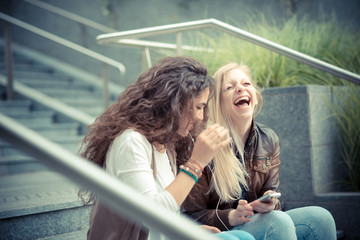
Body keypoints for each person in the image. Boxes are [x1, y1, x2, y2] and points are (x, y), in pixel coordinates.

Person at [78, 57, 255, 240]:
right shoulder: (131, 141)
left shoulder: (166, 144)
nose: (201, 117)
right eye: (198, 107)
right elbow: (152, 215)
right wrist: (196, 163)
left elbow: (169, 211)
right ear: (174, 102)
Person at [181, 62, 337, 240]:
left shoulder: (268, 138)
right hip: (221, 232)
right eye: (229, 87)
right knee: (277, 222)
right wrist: (230, 216)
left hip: (260, 223)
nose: (240, 88)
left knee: (320, 218)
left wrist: (270, 203)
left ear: (255, 96)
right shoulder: (204, 143)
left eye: (246, 84)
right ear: (218, 102)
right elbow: (189, 215)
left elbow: (272, 198)